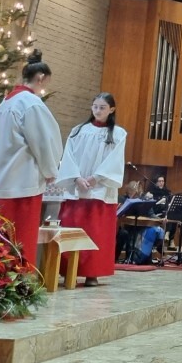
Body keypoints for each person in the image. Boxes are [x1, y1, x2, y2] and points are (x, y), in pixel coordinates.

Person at [0, 49, 63, 266]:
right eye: (46, 82)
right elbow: (43, 141)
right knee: (20, 240)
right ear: (40, 77)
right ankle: (20, 281)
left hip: (1, 181)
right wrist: (50, 170)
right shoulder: (31, 104)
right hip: (22, 182)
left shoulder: (6, 103)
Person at [55, 92, 126, 287]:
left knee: (95, 232)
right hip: (77, 189)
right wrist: (76, 178)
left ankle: (92, 273)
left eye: (102, 107)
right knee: (72, 229)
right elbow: (68, 156)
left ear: (111, 109)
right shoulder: (78, 130)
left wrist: (96, 178)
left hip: (100, 191)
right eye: (95, 106)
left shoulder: (118, 134)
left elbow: (114, 161)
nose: (98, 111)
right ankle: (69, 270)